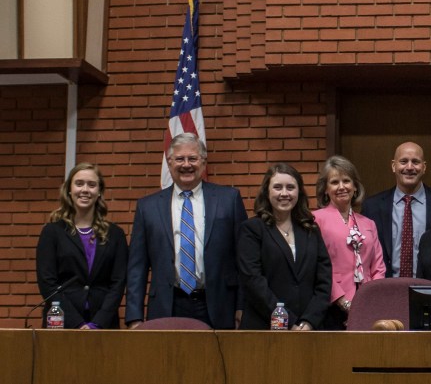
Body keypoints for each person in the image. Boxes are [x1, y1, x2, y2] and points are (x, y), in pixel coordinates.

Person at [125, 133, 247, 329]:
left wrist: (242, 307)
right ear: (169, 162)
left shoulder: (229, 200)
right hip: (168, 303)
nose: (186, 164)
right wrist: (134, 316)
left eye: (193, 158)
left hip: (219, 304)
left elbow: (243, 259)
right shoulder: (147, 207)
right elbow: (136, 268)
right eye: (180, 159)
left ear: (204, 162)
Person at [237, 163, 332, 330]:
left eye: (290, 187)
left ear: (299, 192)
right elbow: (253, 281)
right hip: (264, 326)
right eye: (277, 187)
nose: (284, 193)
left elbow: (324, 280)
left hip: (308, 329)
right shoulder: (252, 229)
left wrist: (308, 321)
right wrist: (288, 320)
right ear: (267, 192)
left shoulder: (310, 229)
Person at [35, 163, 128, 329]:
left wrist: (97, 323)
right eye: (79, 184)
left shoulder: (116, 235)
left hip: (103, 323)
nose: (85, 190)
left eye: (92, 185)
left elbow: (118, 283)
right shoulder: (52, 232)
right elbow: (47, 283)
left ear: (99, 191)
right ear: (69, 190)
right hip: (62, 322)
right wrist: (77, 324)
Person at [313, 156, 386, 329]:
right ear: (325, 189)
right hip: (331, 305)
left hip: (367, 305)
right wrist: (344, 302)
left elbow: (378, 267)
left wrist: (368, 299)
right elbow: (318, 267)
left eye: (346, 181)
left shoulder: (368, 223)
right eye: (334, 182)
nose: (341, 187)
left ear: (355, 187)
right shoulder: (316, 219)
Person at [362, 142, 431, 278]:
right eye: (403, 161)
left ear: (424, 167)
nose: (409, 167)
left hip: (428, 288)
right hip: (385, 289)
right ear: (393, 166)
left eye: (415, 162)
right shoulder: (372, 207)